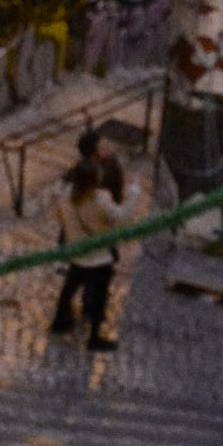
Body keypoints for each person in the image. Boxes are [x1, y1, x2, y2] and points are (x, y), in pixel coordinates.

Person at [50, 134, 124, 352]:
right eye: (102, 144)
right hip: (97, 240)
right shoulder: (105, 171)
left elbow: (63, 203)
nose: (107, 146)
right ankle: (93, 331)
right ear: (95, 150)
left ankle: (60, 319)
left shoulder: (77, 172)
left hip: (77, 241)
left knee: (73, 280)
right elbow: (116, 208)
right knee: (98, 284)